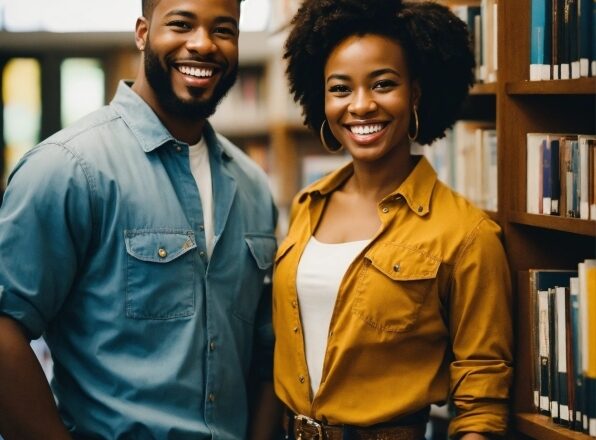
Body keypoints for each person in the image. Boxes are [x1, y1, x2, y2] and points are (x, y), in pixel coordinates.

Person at [0, 0, 279, 438]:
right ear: (143, 32)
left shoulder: (254, 188)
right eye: (182, 24)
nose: (203, 44)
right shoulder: (69, 168)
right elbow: (5, 327)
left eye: (223, 29)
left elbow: (265, 354)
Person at [272, 0, 513, 439]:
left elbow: (482, 395)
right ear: (320, 97)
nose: (361, 106)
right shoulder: (307, 205)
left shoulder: (467, 235)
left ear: (415, 93)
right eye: (340, 89)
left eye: (383, 84)